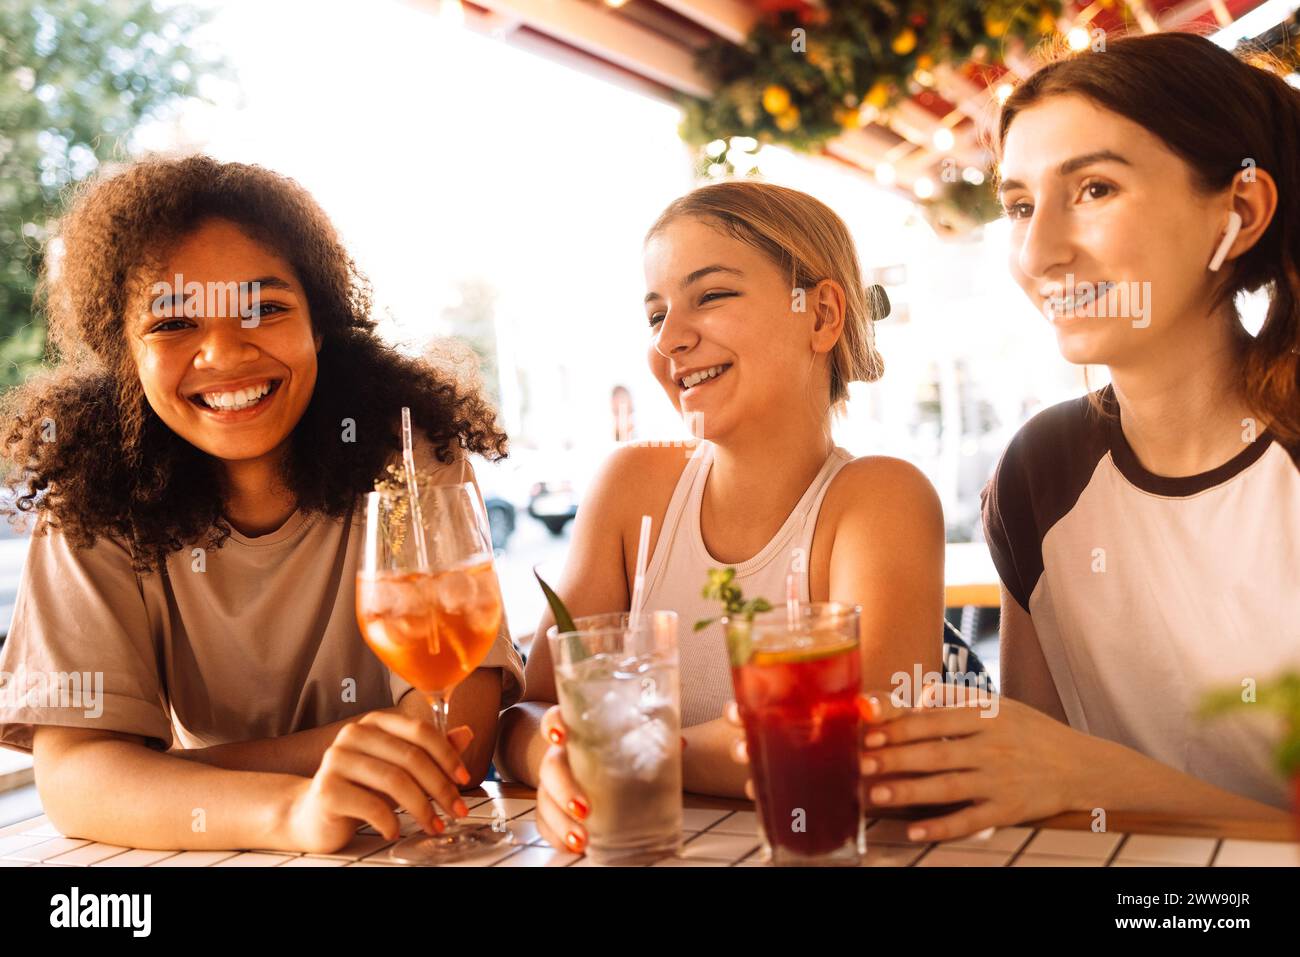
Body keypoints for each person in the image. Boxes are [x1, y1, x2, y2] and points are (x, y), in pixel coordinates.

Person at [0, 155, 524, 853]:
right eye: (172, 323)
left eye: (266, 308)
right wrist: (295, 806)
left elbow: (456, 733)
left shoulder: (403, 445)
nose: (222, 354)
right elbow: (75, 778)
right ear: (125, 351)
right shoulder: (94, 491)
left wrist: (171, 777)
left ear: (319, 323)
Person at [848, 32, 1299, 841]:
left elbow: (1063, 770)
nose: (1039, 250)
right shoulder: (1040, 469)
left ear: (1238, 214)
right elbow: (1038, 802)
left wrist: (1092, 772)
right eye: (1020, 205)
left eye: (1093, 188)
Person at [495, 180, 945, 855]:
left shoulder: (879, 499)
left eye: (710, 295)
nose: (670, 339)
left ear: (821, 315)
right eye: (655, 315)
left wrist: (639, 754)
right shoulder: (630, 487)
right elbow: (525, 716)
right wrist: (553, 761)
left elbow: (863, 747)